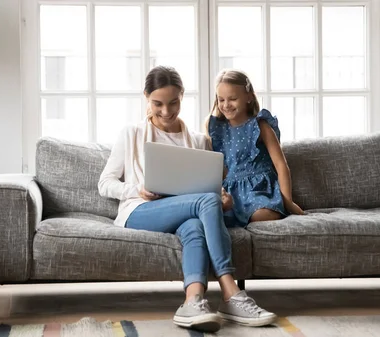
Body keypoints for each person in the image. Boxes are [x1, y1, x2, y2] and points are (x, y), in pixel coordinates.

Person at [98, 66, 276, 332]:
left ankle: (192, 301)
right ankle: (231, 292)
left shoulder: (198, 140)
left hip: (185, 213)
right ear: (146, 97)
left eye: (173, 102)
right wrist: (137, 189)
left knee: (195, 226)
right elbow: (105, 184)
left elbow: (213, 188)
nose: (166, 111)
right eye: (157, 104)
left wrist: (223, 199)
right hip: (141, 209)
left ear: (182, 96)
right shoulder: (131, 133)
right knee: (204, 201)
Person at [207, 69, 305, 227]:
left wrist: (289, 202)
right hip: (231, 193)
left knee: (260, 216)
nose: (226, 105)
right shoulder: (215, 128)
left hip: (259, 189)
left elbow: (281, 165)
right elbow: (218, 168)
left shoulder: (260, 125)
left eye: (232, 99)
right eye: (221, 99)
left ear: (248, 97)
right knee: (210, 218)